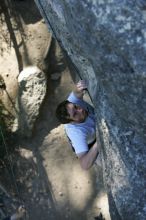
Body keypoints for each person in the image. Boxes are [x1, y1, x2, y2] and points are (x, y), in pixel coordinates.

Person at [56, 80, 100, 170]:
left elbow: (77, 92)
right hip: (90, 142)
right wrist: (99, 142)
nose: (80, 110)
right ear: (71, 122)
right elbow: (84, 165)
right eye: (75, 114)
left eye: (76, 106)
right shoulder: (77, 134)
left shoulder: (71, 104)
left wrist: (79, 86)